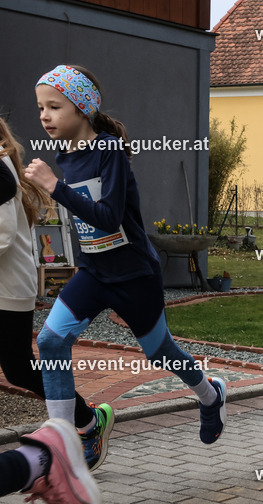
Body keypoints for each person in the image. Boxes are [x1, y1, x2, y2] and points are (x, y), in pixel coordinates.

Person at [24, 65, 227, 455]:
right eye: (40, 108)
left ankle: (209, 394)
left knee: (159, 351)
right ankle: (68, 442)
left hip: (134, 274)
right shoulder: (64, 157)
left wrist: (55, 186)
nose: (44, 116)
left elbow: (108, 217)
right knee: (50, 341)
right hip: (95, 272)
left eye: (54, 106)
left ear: (82, 109)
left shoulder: (108, 152)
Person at [0, 117, 114, 467]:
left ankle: (89, 421)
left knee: (19, 369)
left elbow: (2, 237)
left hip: (7, 289)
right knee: (19, 368)